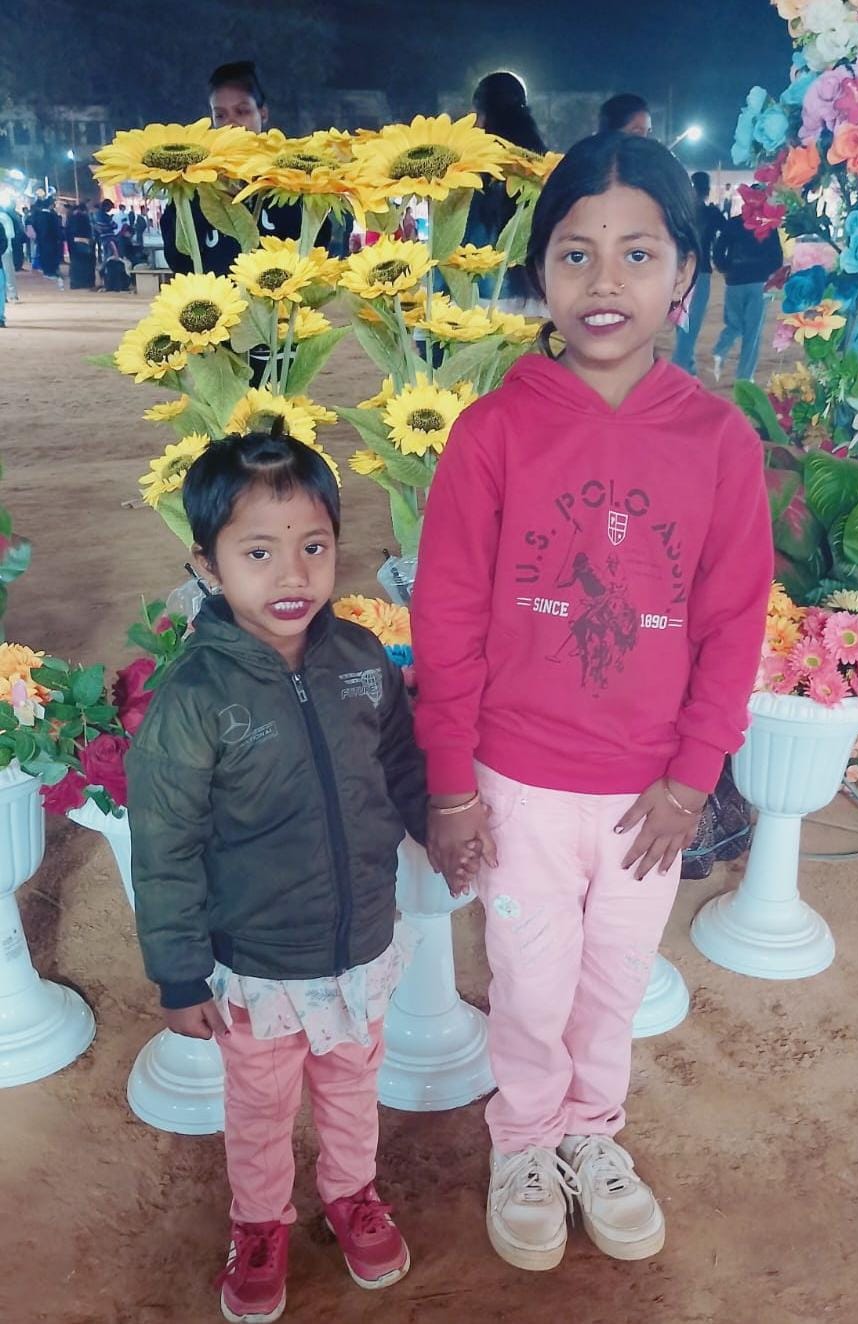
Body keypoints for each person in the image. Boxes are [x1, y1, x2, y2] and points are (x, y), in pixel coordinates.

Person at [412, 132, 772, 1273]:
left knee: (614, 982)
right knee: (529, 983)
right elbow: (447, 617)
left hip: (648, 801)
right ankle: (524, 1139)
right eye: (575, 253)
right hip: (517, 787)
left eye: (637, 253)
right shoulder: (493, 431)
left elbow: (733, 622)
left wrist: (693, 779)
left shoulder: (719, 441)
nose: (604, 281)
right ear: (539, 273)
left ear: (685, 273)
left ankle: (590, 1134)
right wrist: (452, 788)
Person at [127, 429, 426, 1323]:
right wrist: (179, 973)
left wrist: (441, 826)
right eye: (258, 553)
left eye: (313, 547)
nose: (291, 574)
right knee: (260, 1105)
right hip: (256, 961)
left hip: (360, 943)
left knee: (352, 1083)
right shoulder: (195, 700)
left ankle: (352, 1194)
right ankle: (258, 1224)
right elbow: (165, 845)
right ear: (207, 565)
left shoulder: (363, 663)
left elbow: (401, 765)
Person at [161, 61, 322, 277]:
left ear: (263, 113)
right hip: (215, 296)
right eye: (220, 115)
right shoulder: (193, 183)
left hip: (280, 297)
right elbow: (178, 259)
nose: (231, 123)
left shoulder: (291, 180)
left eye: (242, 111)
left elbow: (316, 248)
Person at [466, 71, 547, 309]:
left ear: (481, 116)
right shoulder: (542, 168)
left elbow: (454, 245)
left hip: (480, 303)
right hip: (538, 301)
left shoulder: (473, 170)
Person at [712, 195, 783, 383]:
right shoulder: (768, 225)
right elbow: (777, 258)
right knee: (752, 333)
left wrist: (726, 268)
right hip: (759, 283)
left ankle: (720, 350)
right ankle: (744, 377)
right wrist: (766, 272)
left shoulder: (734, 223)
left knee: (734, 325)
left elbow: (718, 251)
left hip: (734, 281)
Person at [672, 171, 725, 375]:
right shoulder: (712, 213)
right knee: (691, 324)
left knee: (681, 321)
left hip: (678, 270)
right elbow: (727, 231)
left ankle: (688, 365)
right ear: (707, 189)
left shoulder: (680, 212)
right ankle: (679, 369)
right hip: (701, 270)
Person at [32, 198, 64, 286]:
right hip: (51, 240)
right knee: (50, 256)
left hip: (42, 240)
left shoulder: (38, 216)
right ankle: (50, 272)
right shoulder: (51, 216)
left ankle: (47, 271)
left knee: (44, 255)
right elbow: (55, 229)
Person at [65, 202, 96, 289]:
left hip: (73, 243)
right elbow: (87, 231)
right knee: (86, 263)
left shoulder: (70, 217)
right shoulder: (83, 218)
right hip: (83, 242)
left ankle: (76, 283)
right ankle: (87, 282)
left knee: (76, 263)